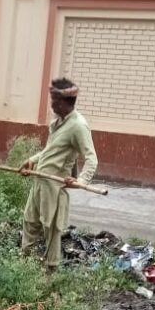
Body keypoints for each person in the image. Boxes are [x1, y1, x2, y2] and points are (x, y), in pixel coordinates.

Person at [20, 77, 98, 271]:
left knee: (52, 229)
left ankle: (51, 273)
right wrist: (33, 160)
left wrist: (80, 181)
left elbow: (92, 158)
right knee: (30, 221)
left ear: (63, 102)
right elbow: (50, 150)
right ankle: (22, 266)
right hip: (40, 182)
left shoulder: (78, 126)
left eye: (54, 101)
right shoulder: (58, 123)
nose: (52, 104)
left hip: (54, 188)